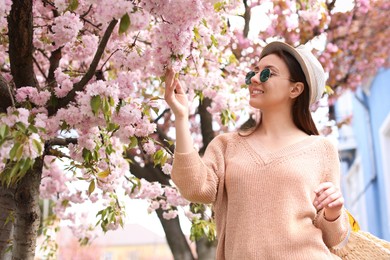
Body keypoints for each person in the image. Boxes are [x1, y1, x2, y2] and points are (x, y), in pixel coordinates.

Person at [164, 41, 350, 259]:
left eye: (267, 74)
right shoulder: (226, 146)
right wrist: (181, 117)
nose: (253, 79)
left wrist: (333, 212)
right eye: (254, 72)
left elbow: (333, 238)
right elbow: (194, 188)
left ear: (295, 89)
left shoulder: (322, 150)